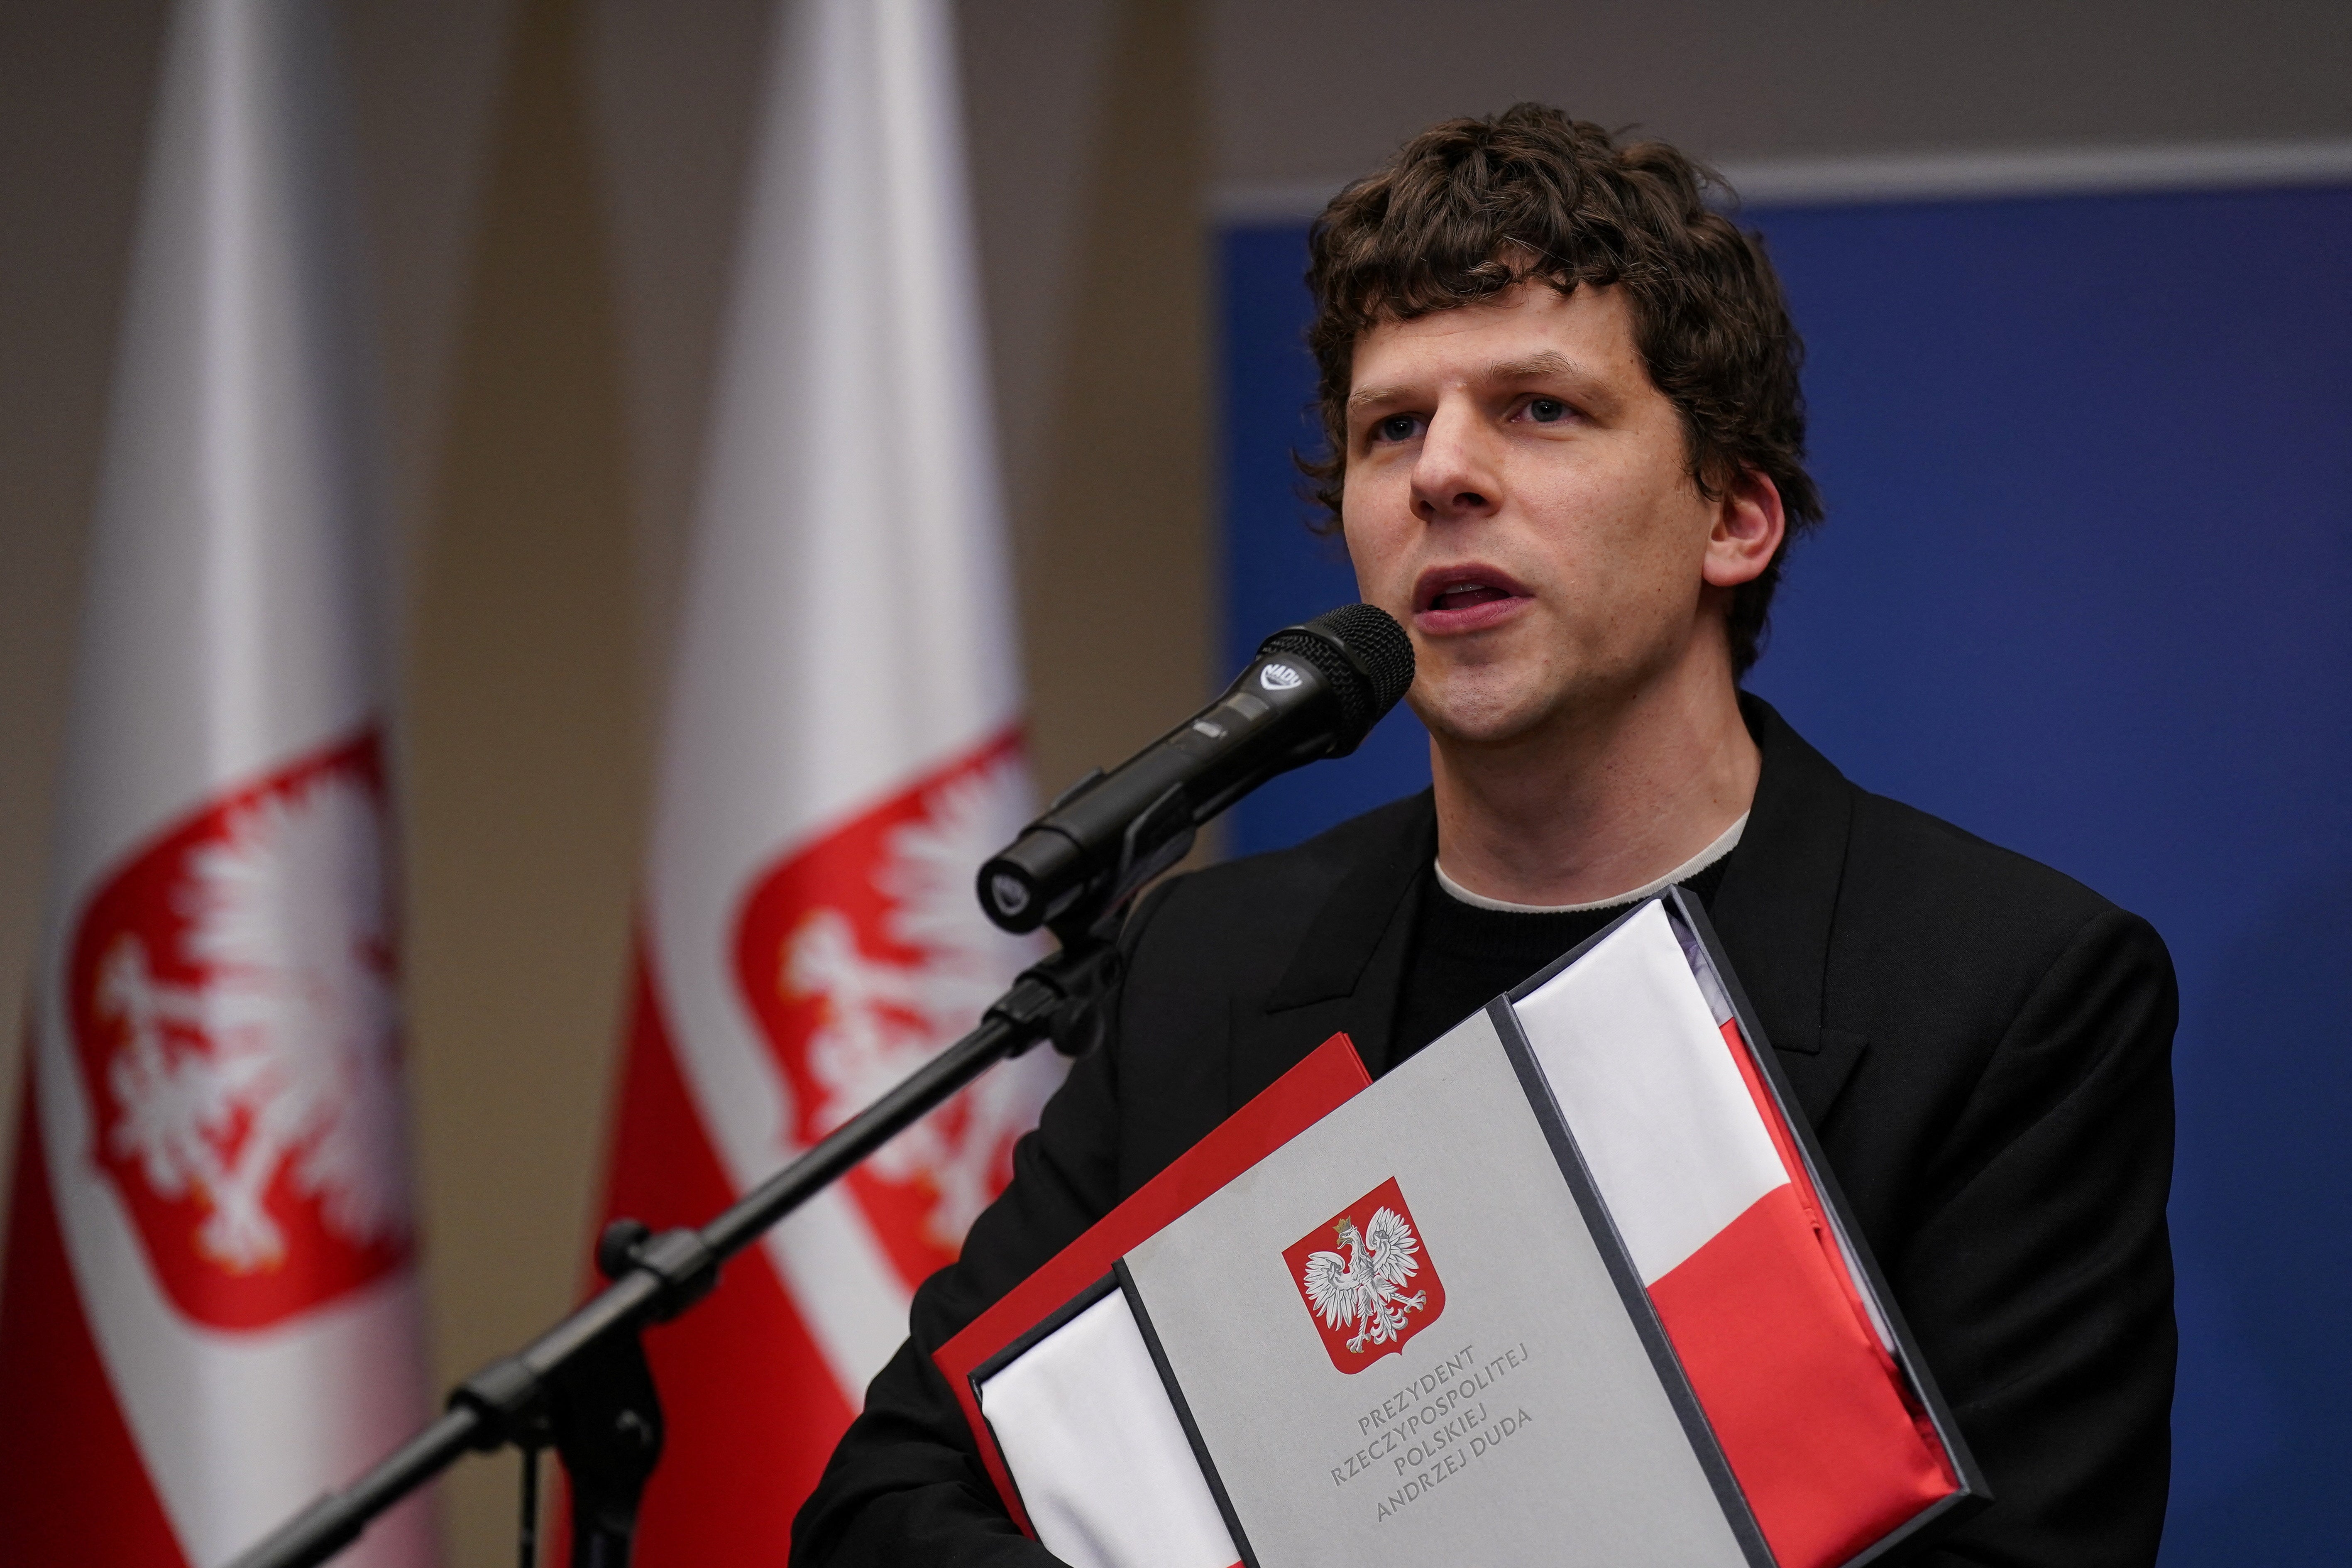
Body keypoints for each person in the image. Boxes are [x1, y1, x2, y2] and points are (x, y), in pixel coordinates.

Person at [791, 104, 2175, 1566]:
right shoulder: (1204, 968)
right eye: (1391, 427)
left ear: (1735, 518)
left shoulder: (2006, 991)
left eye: (1538, 409)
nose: (1438, 473)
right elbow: (888, 1508)